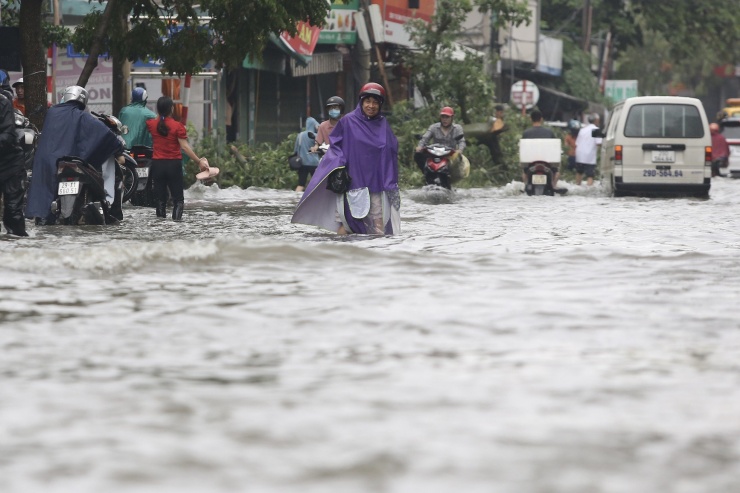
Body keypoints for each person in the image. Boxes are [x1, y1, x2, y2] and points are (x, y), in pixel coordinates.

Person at [291, 82, 400, 235]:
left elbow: (391, 152)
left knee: (378, 223)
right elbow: (335, 146)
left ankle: (378, 255)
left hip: (376, 184)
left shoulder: (383, 125)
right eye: (368, 101)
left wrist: (390, 183)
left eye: (376, 102)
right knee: (346, 223)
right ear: (361, 102)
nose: (371, 105)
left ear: (380, 104)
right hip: (352, 183)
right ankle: (341, 255)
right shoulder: (348, 122)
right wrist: (339, 166)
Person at [25, 85, 126, 224]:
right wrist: (118, 148)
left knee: (43, 188)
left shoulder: (52, 112)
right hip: (69, 161)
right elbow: (102, 133)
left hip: (48, 161)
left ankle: (43, 215)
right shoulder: (82, 115)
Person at [146, 96, 209, 221]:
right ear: (171, 109)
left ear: (158, 109)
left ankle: (160, 226)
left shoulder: (151, 124)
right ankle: (176, 226)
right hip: (173, 165)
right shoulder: (177, 126)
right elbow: (185, 147)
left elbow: (158, 121)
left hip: (157, 165)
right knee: (178, 200)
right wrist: (199, 161)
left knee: (160, 200)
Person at [0, 70, 28, 236]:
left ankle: (18, 245)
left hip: (10, 164)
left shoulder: (3, 102)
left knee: (13, 212)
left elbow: (8, 134)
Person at [414, 106, 466, 172]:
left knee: (459, 160)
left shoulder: (458, 128)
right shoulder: (433, 127)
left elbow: (462, 141)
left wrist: (460, 150)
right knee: (418, 155)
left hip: (450, 155)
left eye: (447, 117)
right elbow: (425, 138)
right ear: (440, 117)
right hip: (435, 154)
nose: (445, 119)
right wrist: (420, 146)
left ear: (452, 118)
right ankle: (425, 173)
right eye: (443, 117)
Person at [521, 108, 560, 187]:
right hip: (547, 161)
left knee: (524, 173)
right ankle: (553, 186)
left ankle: (525, 186)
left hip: (531, 161)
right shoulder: (549, 132)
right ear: (541, 119)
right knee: (556, 172)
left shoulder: (526, 133)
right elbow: (554, 147)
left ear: (531, 119)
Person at [575, 113, 602, 186]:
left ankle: (577, 186)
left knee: (579, 172)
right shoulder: (596, 130)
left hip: (579, 154)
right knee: (590, 175)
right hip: (589, 156)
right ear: (596, 120)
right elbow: (599, 143)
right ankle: (588, 189)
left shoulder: (582, 130)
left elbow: (577, 143)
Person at [294, 117, 320, 192]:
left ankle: (295, 199)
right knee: (316, 185)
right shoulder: (316, 136)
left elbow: (296, 149)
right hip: (314, 163)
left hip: (302, 163)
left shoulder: (300, 135)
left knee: (301, 184)